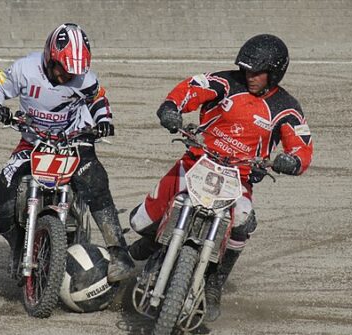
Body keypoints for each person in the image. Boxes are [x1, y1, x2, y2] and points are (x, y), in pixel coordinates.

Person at [128, 34, 314, 321]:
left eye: (257, 72)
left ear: (274, 73)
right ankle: (149, 248)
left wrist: (293, 160)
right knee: (139, 221)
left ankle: (214, 285)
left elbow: (302, 144)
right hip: (195, 162)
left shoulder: (286, 108)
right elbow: (193, 87)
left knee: (241, 221)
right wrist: (171, 108)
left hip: (238, 178)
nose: (249, 76)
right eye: (246, 69)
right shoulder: (226, 83)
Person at [0, 23, 134, 283]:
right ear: (50, 57)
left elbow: (98, 99)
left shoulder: (85, 80)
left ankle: (119, 253)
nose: (68, 77)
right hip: (33, 142)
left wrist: (104, 120)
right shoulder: (23, 69)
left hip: (74, 140)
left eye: (74, 73)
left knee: (95, 181)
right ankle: (19, 246)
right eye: (63, 70)